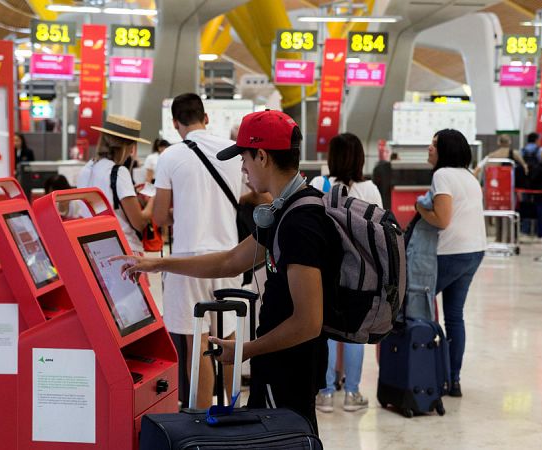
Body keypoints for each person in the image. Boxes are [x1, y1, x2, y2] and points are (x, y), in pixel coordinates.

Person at [118, 109, 338, 433]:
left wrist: (247, 350)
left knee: (287, 439)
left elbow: (308, 322)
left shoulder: (300, 221)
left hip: (290, 369)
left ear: (262, 156)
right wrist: (158, 263)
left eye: (244, 158)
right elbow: (230, 261)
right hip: (277, 364)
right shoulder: (283, 212)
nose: (243, 169)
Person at [151, 93, 243, 408]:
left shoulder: (171, 156)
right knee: (229, 337)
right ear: (206, 118)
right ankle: (233, 412)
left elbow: (159, 216)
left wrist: (183, 212)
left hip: (188, 262)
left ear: (176, 124)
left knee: (197, 342)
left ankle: (202, 420)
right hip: (230, 258)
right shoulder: (230, 153)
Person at [308, 133, 377, 413]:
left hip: (326, 267)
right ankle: (352, 393)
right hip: (361, 271)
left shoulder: (319, 184)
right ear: (360, 158)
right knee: (354, 331)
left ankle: (324, 393)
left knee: (325, 328)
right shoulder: (370, 189)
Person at [415, 129, 486, 398]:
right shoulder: (468, 176)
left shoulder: (442, 175)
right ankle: (452, 379)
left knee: (416, 307)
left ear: (446, 150)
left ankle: (424, 372)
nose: (429, 148)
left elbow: (442, 219)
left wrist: (420, 208)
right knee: (455, 316)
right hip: (474, 250)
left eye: (435, 145)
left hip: (451, 253)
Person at [76, 114, 154, 254]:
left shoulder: (85, 170)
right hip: (123, 248)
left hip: (93, 248)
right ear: (127, 146)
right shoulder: (118, 172)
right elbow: (139, 222)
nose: (131, 152)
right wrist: (154, 199)